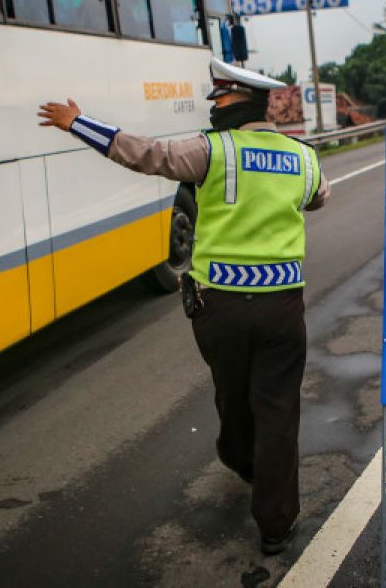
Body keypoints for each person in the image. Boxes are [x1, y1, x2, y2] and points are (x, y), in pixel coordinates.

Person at [37, 58, 329, 555]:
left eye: (221, 100)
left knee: (233, 399)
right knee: (278, 411)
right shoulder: (304, 157)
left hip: (222, 310)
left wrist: (78, 123)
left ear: (237, 101)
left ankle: (243, 460)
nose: (214, 108)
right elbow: (318, 198)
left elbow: (147, 155)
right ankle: (276, 523)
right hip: (283, 310)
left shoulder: (211, 150)